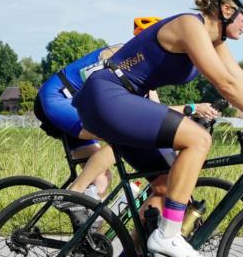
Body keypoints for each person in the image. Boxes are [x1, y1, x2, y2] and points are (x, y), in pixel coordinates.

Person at [72, 0, 243, 257]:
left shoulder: (215, 41)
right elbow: (225, 85)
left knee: (163, 182)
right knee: (198, 139)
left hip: (122, 100)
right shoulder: (189, 26)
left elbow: (242, 80)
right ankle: (168, 235)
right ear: (226, 9)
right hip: (107, 95)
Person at [33, 19, 219, 204]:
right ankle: (74, 193)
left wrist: (190, 112)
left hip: (79, 105)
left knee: (101, 180)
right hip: (58, 99)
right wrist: (192, 108)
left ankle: (91, 229)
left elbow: (157, 112)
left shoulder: (146, 75)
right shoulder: (120, 56)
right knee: (121, 134)